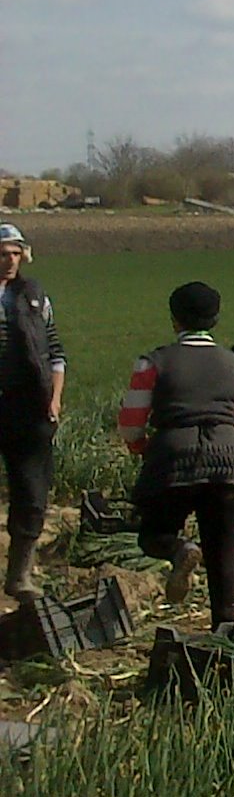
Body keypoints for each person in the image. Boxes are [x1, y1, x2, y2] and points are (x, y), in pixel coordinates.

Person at [119, 281, 234, 622]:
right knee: (222, 552)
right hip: (226, 462)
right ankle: (227, 631)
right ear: (215, 320)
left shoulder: (152, 362)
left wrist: (142, 448)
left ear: (175, 320)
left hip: (172, 455)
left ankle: (180, 549)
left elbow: (132, 425)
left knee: (152, 534)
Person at [0, 223, 65, 604]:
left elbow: (54, 351)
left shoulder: (35, 296)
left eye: (14, 253)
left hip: (28, 407)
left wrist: (54, 398)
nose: (9, 260)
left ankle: (19, 575)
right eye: (2, 253)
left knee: (31, 491)